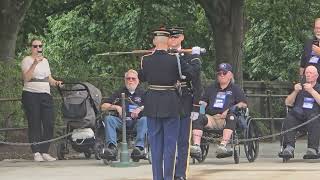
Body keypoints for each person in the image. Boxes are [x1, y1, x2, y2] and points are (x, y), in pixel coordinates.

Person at [138, 27, 194, 180]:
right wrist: (181, 57)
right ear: (168, 41)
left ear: (155, 41)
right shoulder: (175, 59)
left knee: (156, 146)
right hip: (171, 104)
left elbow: (141, 77)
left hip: (152, 104)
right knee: (170, 145)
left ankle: (157, 177)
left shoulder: (146, 59)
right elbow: (189, 74)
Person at [190, 63, 247, 158]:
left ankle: (223, 146)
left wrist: (229, 110)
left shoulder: (236, 89)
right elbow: (203, 102)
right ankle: (196, 146)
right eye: (219, 73)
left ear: (230, 75)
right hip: (211, 118)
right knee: (198, 117)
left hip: (225, 119)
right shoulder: (211, 88)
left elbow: (243, 104)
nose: (222, 75)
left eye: (224, 73)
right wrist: (201, 108)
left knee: (232, 117)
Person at [167, 27, 202, 180]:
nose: (172, 40)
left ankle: (180, 173)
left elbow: (195, 79)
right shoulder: (163, 56)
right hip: (166, 100)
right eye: (170, 37)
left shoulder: (189, 57)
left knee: (182, 140)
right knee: (167, 140)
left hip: (184, 100)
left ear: (181, 37)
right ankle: (167, 172)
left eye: (175, 37)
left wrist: (196, 106)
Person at [21, 38, 62, 162]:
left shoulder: (45, 61)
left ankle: (45, 151)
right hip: (31, 94)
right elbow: (27, 78)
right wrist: (34, 63)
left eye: (40, 46)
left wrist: (56, 83)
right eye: (35, 46)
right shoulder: (26, 60)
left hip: (45, 94)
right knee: (34, 123)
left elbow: (49, 78)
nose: (38, 48)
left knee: (49, 123)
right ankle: (36, 152)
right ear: (30, 48)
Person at [100, 69, 147, 160]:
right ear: (125, 80)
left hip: (137, 123)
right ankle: (111, 148)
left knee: (145, 119)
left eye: (133, 78)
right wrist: (117, 107)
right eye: (128, 78)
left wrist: (140, 109)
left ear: (138, 80)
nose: (130, 80)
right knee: (109, 119)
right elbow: (103, 106)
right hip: (122, 122)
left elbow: (152, 106)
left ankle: (139, 148)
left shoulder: (143, 93)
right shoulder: (119, 92)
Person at [280, 65, 320, 159]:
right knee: (289, 118)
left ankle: (312, 148)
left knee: (314, 119)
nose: (308, 75)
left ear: (316, 76)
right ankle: (289, 147)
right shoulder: (299, 87)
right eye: (307, 73)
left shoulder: (318, 87)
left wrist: (311, 91)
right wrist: (295, 92)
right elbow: (287, 103)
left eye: (311, 73)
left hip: (313, 116)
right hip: (298, 115)